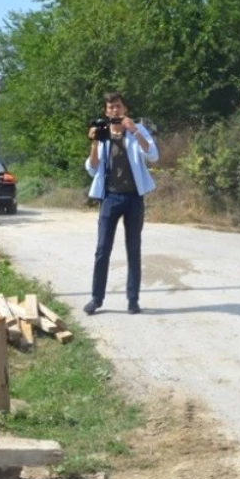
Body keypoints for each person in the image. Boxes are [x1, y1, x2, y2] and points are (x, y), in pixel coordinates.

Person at [83, 93, 158, 315]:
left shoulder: (136, 130)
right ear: (106, 111)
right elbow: (92, 168)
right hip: (110, 198)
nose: (115, 111)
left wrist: (134, 130)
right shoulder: (103, 133)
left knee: (133, 249)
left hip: (134, 197)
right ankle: (96, 299)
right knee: (102, 249)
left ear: (124, 109)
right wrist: (95, 143)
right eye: (111, 107)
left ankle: (133, 300)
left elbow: (153, 155)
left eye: (118, 106)